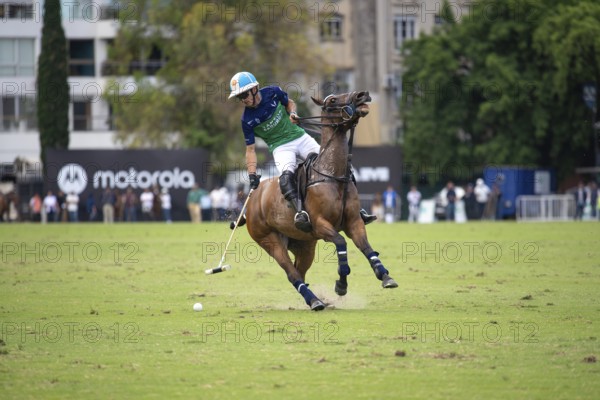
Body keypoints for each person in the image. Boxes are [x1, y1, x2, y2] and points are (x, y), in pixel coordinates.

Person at [228, 71, 375, 232]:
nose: (244, 99)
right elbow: (250, 150)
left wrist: (292, 113)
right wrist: (252, 173)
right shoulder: (247, 120)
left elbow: (289, 103)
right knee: (286, 177)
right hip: (280, 147)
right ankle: (300, 213)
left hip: (300, 138)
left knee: (338, 166)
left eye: (244, 94)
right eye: (239, 97)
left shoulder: (272, 92)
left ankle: (356, 209)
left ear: (255, 88)